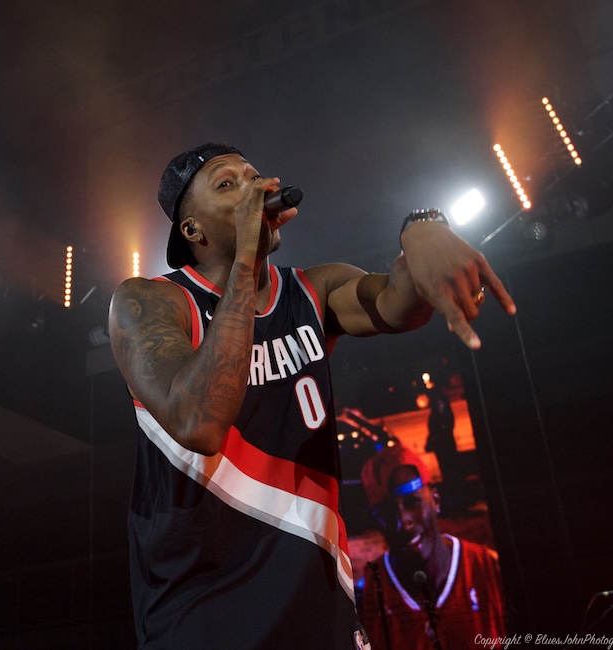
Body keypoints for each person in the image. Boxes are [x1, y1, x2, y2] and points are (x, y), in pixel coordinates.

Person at [107, 143, 516, 649]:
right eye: (227, 184)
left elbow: (399, 302)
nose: (257, 188)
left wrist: (423, 227)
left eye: (254, 175)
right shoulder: (147, 301)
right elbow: (200, 421)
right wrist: (244, 269)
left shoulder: (313, 289)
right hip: (203, 615)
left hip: (320, 604)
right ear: (193, 231)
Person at [360, 444, 506, 649]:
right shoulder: (369, 591)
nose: (403, 521)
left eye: (413, 502)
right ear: (375, 521)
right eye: (387, 512)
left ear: (435, 501)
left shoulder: (488, 569)